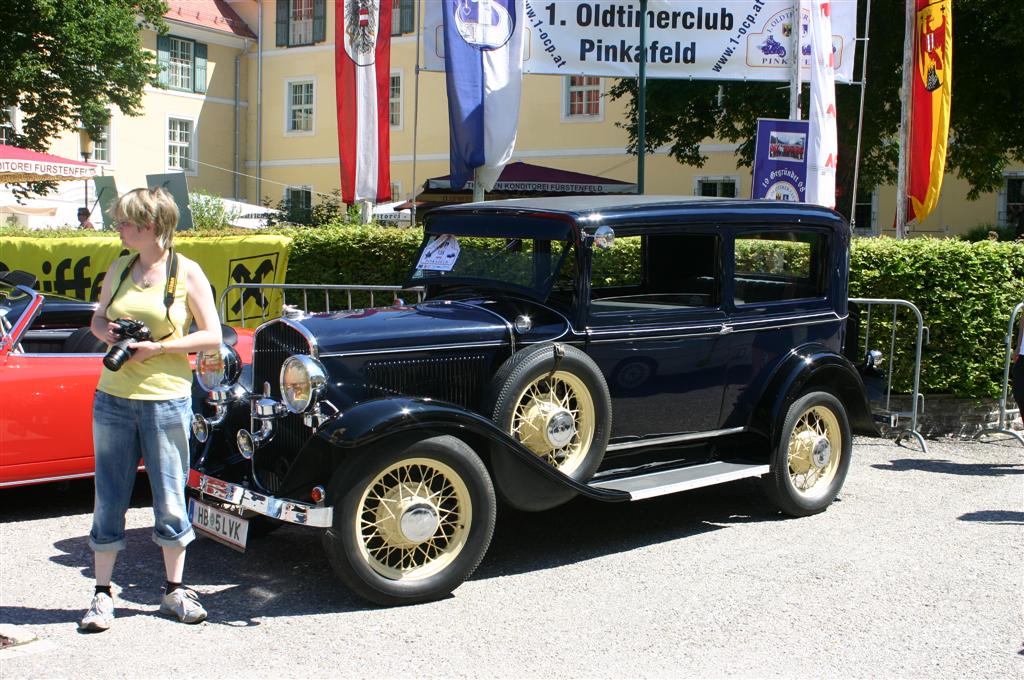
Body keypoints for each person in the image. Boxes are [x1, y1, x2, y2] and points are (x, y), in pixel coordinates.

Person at [79, 187, 222, 632]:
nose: (118, 228)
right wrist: (109, 335)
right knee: (110, 496)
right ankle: (102, 596)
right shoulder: (120, 266)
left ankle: (174, 591)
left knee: (169, 495)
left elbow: (213, 336)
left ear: (151, 226)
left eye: (125, 222)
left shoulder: (187, 271)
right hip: (112, 399)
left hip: (165, 399)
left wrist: (156, 349)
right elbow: (98, 318)